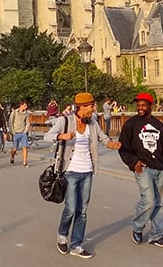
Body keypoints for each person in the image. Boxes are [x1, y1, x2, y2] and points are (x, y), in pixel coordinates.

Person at [45, 92, 120, 259]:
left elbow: (103, 137)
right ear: (82, 107)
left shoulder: (92, 122)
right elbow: (47, 136)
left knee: (83, 210)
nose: (94, 109)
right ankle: (62, 235)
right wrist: (61, 136)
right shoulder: (64, 121)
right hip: (70, 171)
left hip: (87, 171)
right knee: (70, 209)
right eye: (91, 106)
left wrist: (111, 144)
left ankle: (76, 244)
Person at [118, 92, 163, 249]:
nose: (140, 108)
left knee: (160, 203)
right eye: (138, 105)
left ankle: (157, 235)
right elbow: (123, 148)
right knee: (149, 200)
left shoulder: (158, 125)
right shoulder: (130, 125)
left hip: (159, 169)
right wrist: (134, 163)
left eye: (144, 105)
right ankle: (138, 227)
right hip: (142, 169)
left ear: (151, 106)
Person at [8, 99, 31, 167]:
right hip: (16, 132)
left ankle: (24, 162)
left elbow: (27, 123)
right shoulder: (15, 112)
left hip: (23, 133)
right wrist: (13, 131)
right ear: (21, 105)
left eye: (26, 105)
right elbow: (10, 122)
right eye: (24, 105)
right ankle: (12, 156)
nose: (26, 107)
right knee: (15, 149)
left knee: (25, 147)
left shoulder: (26, 113)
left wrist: (25, 131)